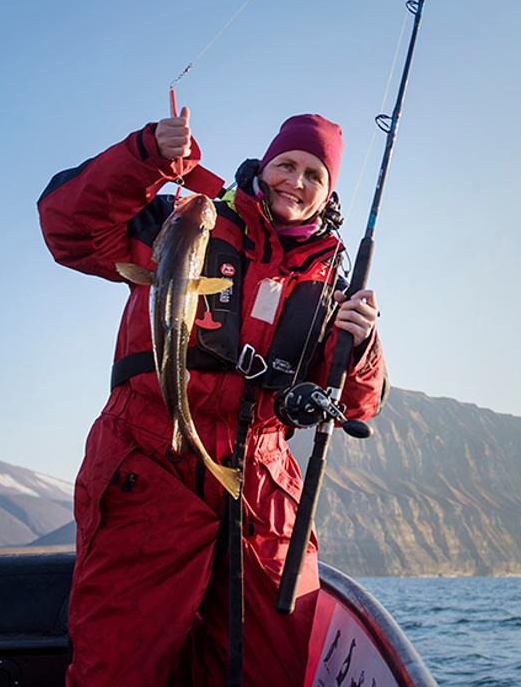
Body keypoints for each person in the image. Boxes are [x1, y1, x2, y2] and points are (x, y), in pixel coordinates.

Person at [38, 109, 387, 687]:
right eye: (286, 164)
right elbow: (69, 230)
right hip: (149, 462)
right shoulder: (188, 219)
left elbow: (356, 405)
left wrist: (365, 344)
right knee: (117, 666)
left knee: (270, 667)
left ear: (328, 193)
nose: (295, 183)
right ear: (265, 163)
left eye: (313, 175)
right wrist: (147, 153)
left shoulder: (331, 283)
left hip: (262, 481)